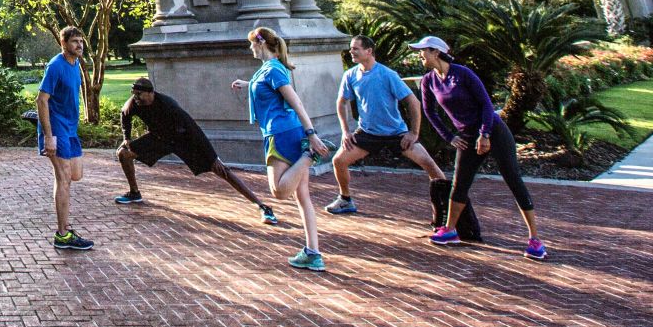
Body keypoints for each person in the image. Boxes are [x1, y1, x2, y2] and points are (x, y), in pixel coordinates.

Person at [411, 36, 549, 260]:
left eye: (422, 51)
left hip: (493, 130)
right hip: (466, 136)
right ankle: (450, 230)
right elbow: (430, 112)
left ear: (436, 52)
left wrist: (484, 134)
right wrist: (449, 137)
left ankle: (535, 240)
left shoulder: (463, 74)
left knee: (513, 179)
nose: (419, 55)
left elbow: (486, 104)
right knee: (459, 183)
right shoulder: (428, 81)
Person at [114, 77, 280, 226]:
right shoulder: (134, 103)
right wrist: (126, 138)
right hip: (159, 139)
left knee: (221, 170)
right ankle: (134, 193)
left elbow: (193, 130)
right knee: (123, 153)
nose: (135, 98)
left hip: (184, 139)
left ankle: (262, 206)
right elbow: (124, 115)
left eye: (139, 94)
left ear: (151, 93)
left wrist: (212, 157)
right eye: (134, 94)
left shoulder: (168, 105)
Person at [230, 27, 330, 271]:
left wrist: (312, 135)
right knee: (302, 195)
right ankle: (313, 252)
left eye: (251, 44)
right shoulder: (268, 69)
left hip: (282, 133)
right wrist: (247, 83)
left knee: (279, 191)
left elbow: (295, 100)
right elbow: (263, 85)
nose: (250, 48)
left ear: (261, 44)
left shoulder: (274, 69)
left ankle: (310, 155)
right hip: (287, 131)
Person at [323, 36, 447, 216]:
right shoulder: (350, 75)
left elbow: (413, 102)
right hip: (368, 133)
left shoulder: (388, 75)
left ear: (369, 51)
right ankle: (345, 199)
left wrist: (413, 133)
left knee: (430, 165)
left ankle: (447, 205)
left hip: (396, 134)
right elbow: (341, 103)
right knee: (339, 161)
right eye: (351, 48)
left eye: (355, 48)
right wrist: (345, 131)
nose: (351, 52)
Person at [36, 26, 93, 250]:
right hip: (56, 129)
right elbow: (41, 100)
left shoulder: (76, 63)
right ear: (63, 44)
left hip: (70, 129)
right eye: (74, 41)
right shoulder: (55, 66)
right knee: (64, 179)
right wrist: (48, 137)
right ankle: (62, 234)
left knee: (75, 175)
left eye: (81, 41)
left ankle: (64, 231)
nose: (79, 45)